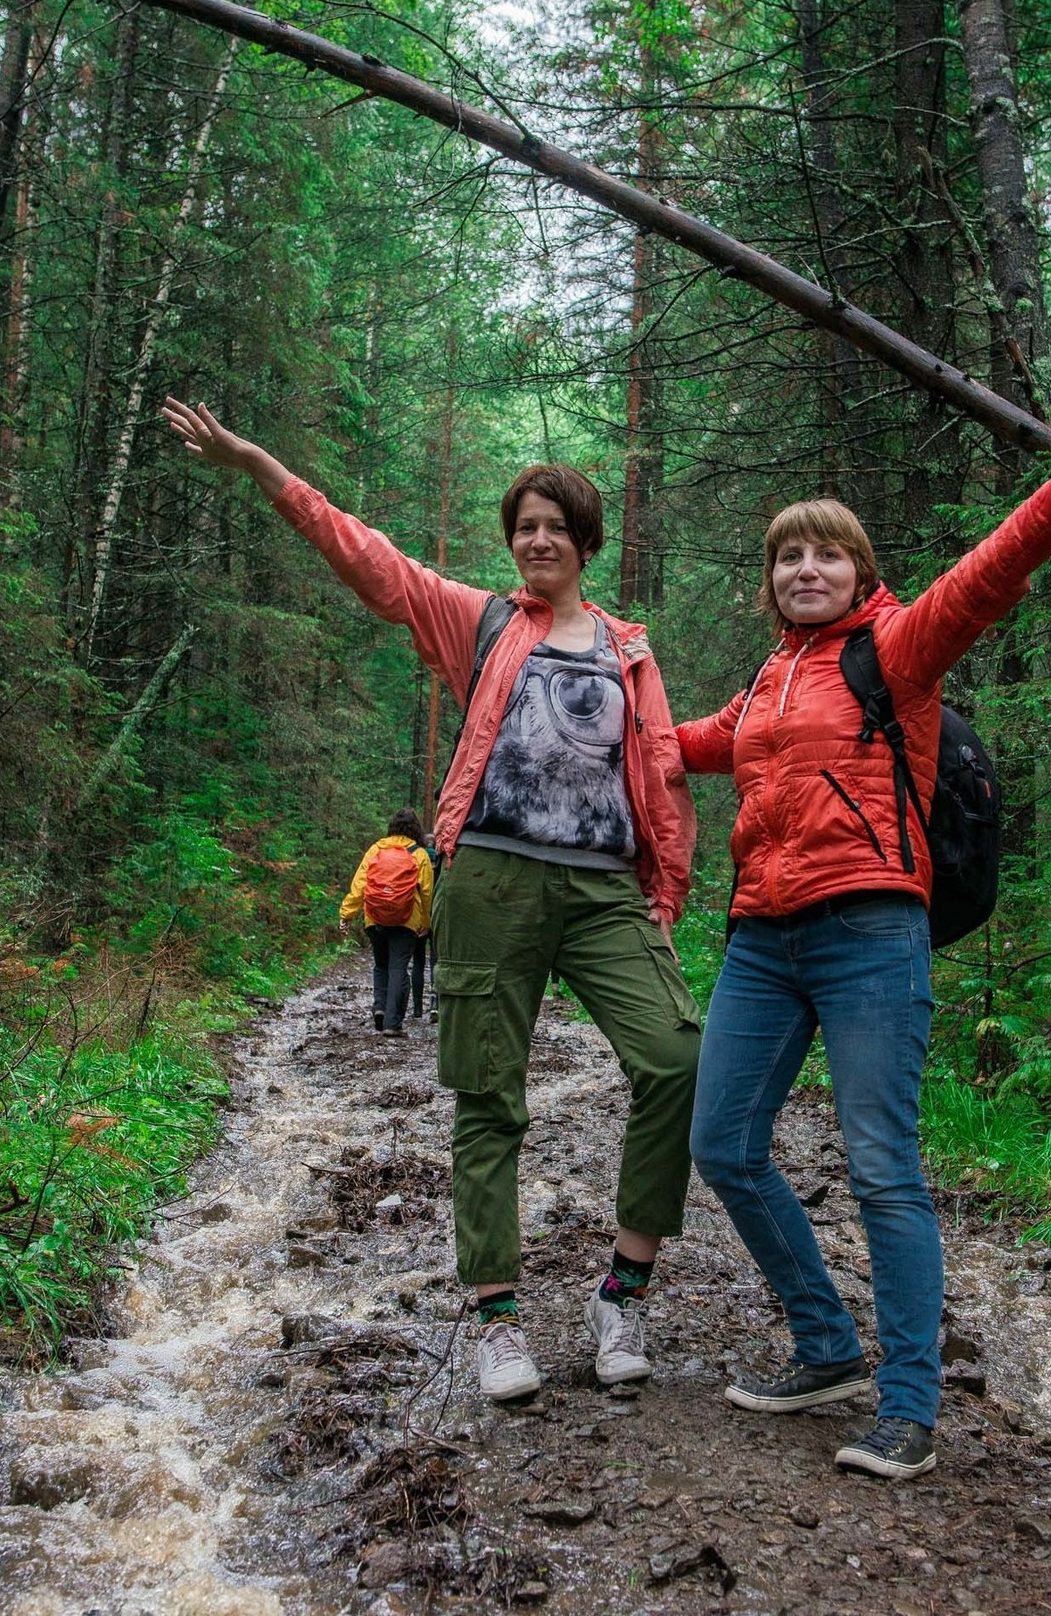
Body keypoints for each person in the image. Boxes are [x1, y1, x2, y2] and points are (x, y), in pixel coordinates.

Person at [680, 377, 1051, 1480]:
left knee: (882, 1169)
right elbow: (686, 745)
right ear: (769, 582)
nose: (804, 570)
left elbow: (989, 575)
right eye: (786, 558)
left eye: (825, 556)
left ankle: (907, 1404)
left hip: (869, 932)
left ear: (860, 574)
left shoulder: (896, 650)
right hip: (763, 939)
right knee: (720, 1143)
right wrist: (573, 703)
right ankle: (826, 1345)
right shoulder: (768, 682)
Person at [162, 400, 701, 1402]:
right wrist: (260, 466)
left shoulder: (628, 649)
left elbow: (662, 768)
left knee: (675, 1058)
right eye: (522, 526)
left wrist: (666, 885)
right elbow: (370, 559)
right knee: (488, 1094)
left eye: (554, 526)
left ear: (586, 542)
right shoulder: (484, 619)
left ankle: (622, 1292)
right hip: (492, 878)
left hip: (601, 888)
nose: (536, 539)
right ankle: (497, 1318)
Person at [341, 809, 434, 1034]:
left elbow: (360, 884)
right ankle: (393, 1024)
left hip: (375, 917)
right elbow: (427, 892)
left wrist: (346, 914)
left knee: (380, 965)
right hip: (406, 920)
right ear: (416, 830)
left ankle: (380, 1007)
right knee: (398, 967)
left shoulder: (376, 849)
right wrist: (426, 921)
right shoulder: (419, 854)